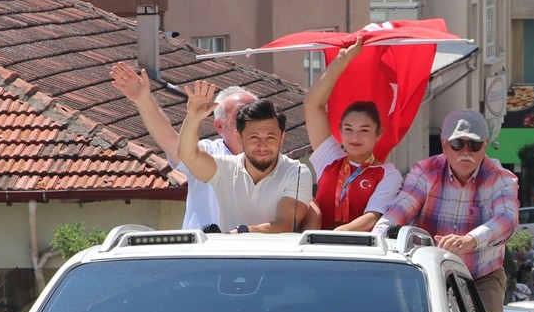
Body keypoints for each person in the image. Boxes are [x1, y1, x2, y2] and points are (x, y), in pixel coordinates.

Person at [373, 109, 519, 312]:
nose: (466, 151)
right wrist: (376, 241)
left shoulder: (501, 178)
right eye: (457, 144)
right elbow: (399, 210)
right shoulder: (425, 171)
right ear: (443, 144)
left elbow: (507, 219)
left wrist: (470, 240)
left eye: (474, 145)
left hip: (481, 275)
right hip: (427, 272)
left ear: (486, 145)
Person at [110, 61, 255, 230]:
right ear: (219, 126)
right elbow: (170, 141)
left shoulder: (276, 162)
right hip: (201, 254)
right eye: (241, 115)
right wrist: (143, 100)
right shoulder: (209, 153)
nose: (249, 121)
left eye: (255, 114)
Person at [177, 81, 311, 234]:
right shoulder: (225, 168)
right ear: (239, 137)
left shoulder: (296, 172)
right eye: (254, 137)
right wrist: (193, 117)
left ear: (282, 137)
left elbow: (285, 224)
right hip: (229, 256)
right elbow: (187, 155)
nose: (262, 145)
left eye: (270, 137)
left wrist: (243, 232)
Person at [301, 37, 403, 231]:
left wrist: (334, 236)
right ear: (339, 131)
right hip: (314, 249)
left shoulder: (387, 174)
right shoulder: (330, 159)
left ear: (378, 134)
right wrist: (342, 61)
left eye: (364, 130)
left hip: (356, 252)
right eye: (348, 129)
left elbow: (372, 218)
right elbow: (312, 105)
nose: (355, 138)